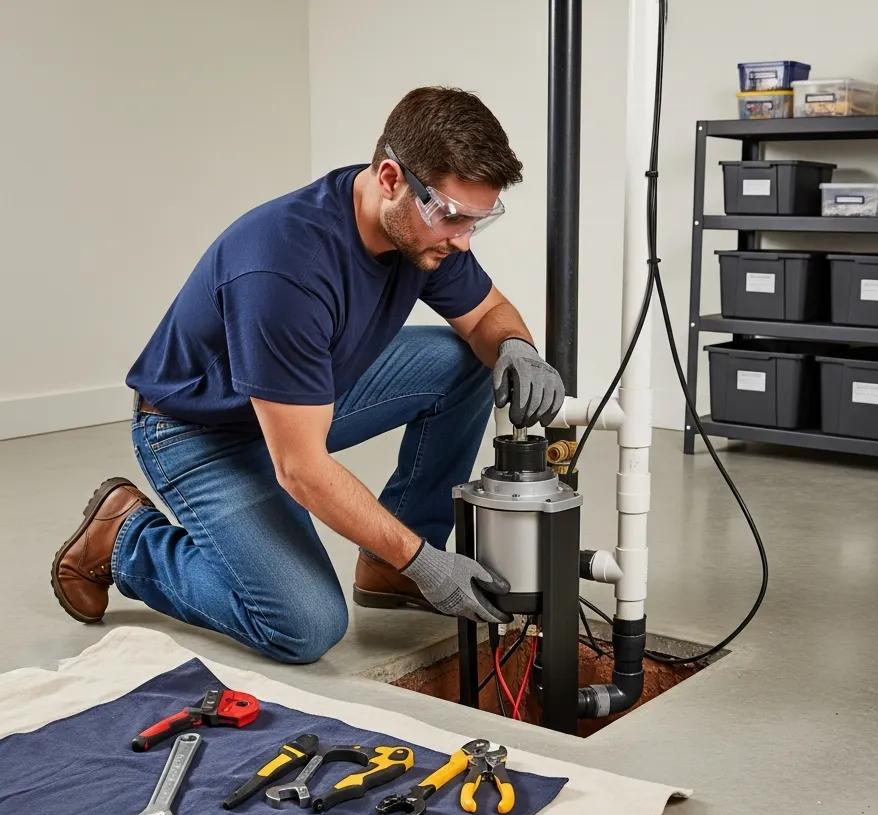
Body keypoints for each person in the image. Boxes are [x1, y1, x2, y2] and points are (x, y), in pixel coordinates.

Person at [50, 86, 565, 664]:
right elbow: (301, 468)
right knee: (305, 625)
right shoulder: (285, 271)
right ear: (392, 177)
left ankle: (388, 569)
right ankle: (127, 542)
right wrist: (426, 561)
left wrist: (517, 347)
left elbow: (488, 314)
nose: (463, 239)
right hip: (200, 434)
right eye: (452, 216)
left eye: (479, 221)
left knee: (465, 359)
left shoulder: (412, 227)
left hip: (298, 399)